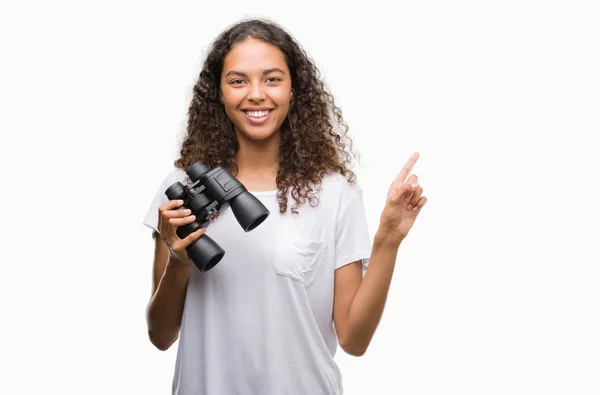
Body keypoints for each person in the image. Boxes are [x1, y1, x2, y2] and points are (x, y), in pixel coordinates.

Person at [142, 17, 427, 395]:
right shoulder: (179, 191)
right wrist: (178, 262)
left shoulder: (334, 192)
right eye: (238, 80)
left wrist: (388, 240)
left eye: (272, 79)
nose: (256, 94)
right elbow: (161, 336)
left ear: (294, 90)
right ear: (219, 94)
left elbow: (354, 341)